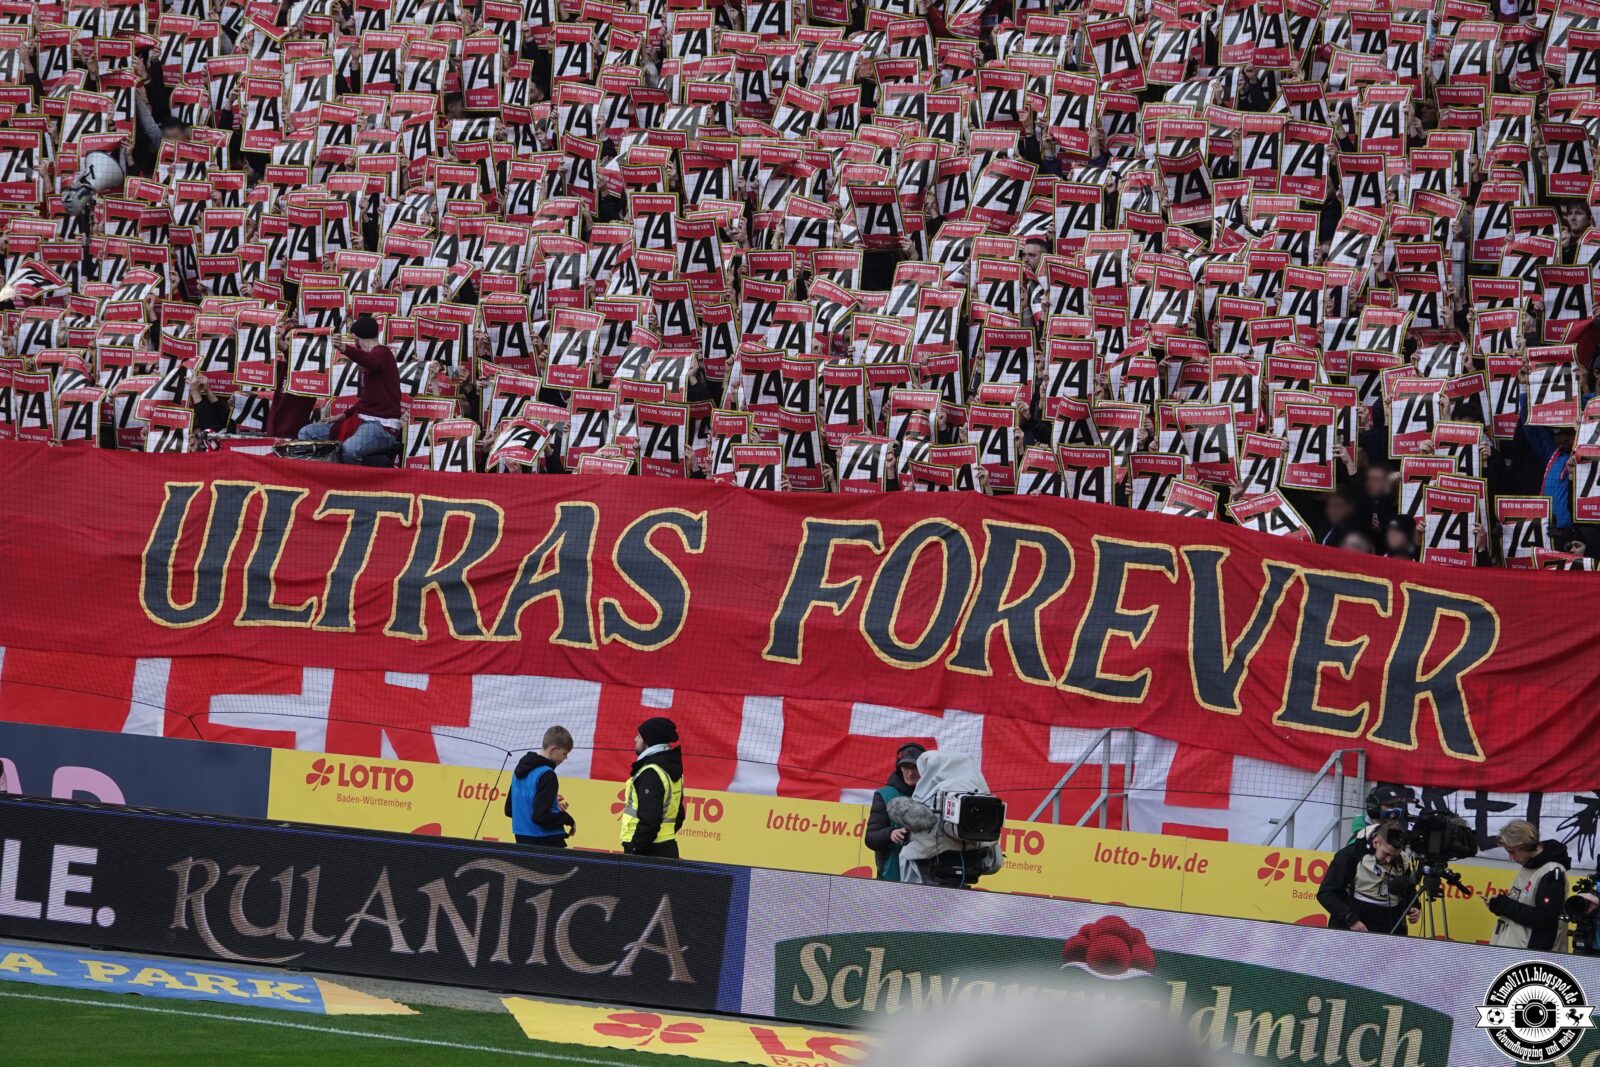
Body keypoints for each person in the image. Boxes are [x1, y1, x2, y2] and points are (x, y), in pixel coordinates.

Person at [297, 315, 401, 464]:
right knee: (306, 433)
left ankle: (347, 482)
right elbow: (367, 401)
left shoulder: (383, 354)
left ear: (356, 337)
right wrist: (343, 416)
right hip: (359, 421)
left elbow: (372, 361)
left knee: (350, 449)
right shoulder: (372, 360)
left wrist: (344, 348)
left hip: (382, 428)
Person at [1318, 824, 1419, 935]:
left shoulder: (1403, 860)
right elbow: (1326, 893)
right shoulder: (1350, 856)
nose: (1389, 859)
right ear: (1375, 843)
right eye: (1386, 854)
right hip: (1355, 925)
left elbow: (1408, 888)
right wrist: (1350, 918)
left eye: (1394, 856)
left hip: (1391, 926)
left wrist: (1414, 906)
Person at [1487, 820, 1570, 951]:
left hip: (1533, 951)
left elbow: (1546, 918)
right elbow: (1519, 904)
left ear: (1524, 845)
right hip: (1516, 946)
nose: (1511, 857)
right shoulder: (1530, 865)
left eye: (1512, 852)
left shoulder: (1552, 871)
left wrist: (1505, 905)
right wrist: (1499, 905)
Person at [620, 716, 684, 858]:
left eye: (638, 736)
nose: (634, 739)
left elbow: (650, 821)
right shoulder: (671, 768)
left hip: (647, 851)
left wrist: (635, 849)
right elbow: (679, 814)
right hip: (666, 846)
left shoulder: (651, 772)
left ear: (648, 741)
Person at [506, 725, 576, 847]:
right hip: (546, 841)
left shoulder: (518, 771)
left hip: (522, 839)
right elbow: (540, 817)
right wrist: (568, 819)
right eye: (564, 753)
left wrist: (551, 805)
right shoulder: (547, 775)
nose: (565, 758)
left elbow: (509, 810)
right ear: (553, 750)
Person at [864, 743, 926, 881]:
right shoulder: (884, 795)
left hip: (928, 877)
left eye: (915, 767)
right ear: (899, 768)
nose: (910, 773)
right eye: (906, 767)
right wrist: (890, 834)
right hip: (892, 876)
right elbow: (870, 839)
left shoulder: (935, 796)